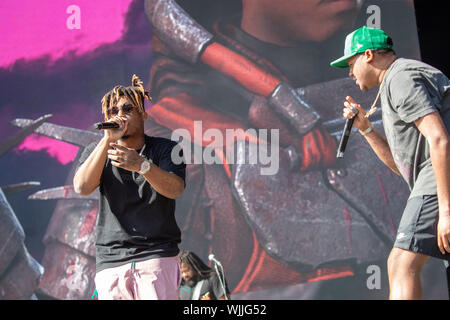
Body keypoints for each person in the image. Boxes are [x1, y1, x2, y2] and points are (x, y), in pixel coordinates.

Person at [331, 26, 450, 299]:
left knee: (400, 263)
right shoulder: (393, 84)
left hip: (439, 176)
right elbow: (403, 169)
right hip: (431, 177)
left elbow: (440, 140)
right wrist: (365, 128)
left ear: (368, 55)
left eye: (351, 64)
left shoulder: (401, 78)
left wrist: (446, 211)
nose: (350, 73)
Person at [73, 74, 186, 300]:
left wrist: (141, 165)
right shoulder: (96, 152)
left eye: (127, 109)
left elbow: (175, 189)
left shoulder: (166, 149)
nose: (120, 116)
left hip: (155, 256)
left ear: (143, 114)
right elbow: (82, 187)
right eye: (113, 112)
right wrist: (107, 141)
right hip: (111, 261)